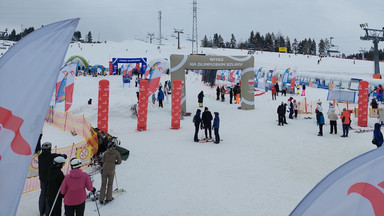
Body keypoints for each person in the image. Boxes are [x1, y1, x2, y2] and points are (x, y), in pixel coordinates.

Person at [38, 142, 66, 216]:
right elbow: (59, 156)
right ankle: (48, 212)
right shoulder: (51, 156)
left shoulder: (40, 156)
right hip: (49, 178)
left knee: (43, 194)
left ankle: (41, 211)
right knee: (49, 196)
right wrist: (62, 156)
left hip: (42, 178)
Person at [99, 140, 122, 204]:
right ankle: (108, 198)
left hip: (104, 169)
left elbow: (102, 160)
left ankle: (101, 198)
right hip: (111, 170)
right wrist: (115, 163)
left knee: (103, 184)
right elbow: (119, 161)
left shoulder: (106, 152)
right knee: (110, 184)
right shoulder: (116, 153)